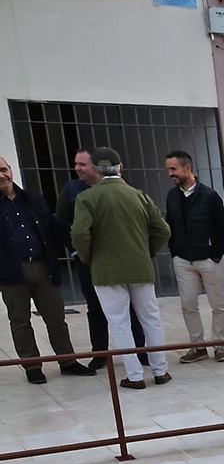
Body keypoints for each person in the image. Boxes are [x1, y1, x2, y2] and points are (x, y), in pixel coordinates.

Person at [70, 147, 173, 389]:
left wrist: (88, 257)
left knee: (119, 322)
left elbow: (79, 233)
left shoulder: (87, 198)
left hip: (106, 271)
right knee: (151, 319)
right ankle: (160, 370)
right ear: (121, 167)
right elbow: (163, 230)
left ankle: (134, 376)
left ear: (95, 169)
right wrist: (146, 252)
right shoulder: (139, 195)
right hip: (140, 267)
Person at [0, 155, 92, 384]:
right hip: (11, 272)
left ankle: (68, 361)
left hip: (42, 266)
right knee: (20, 321)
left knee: (56, 317)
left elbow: (54, 227)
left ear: (10, 169)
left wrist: (79, 243)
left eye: (3, 169)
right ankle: (31, 366)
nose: (1, 175)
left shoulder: (33, 199)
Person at [58, 148, 144, 369]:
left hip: (120, 258)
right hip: (89, 261)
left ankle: (140, 350)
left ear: (95, 167)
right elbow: (62, 223)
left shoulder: (120, 189)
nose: (78, 168)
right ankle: (100, 352)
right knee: (95, 307)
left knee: (131, 306)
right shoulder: (71, 191)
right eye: (76, 164)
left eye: (83, 164)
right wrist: (78, 252)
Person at [164, 149, 224, 364]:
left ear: (187, 168)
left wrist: (215, 254)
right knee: (188, 304)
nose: (170, 174)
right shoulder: (172, 196)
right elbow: (170, 226)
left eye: (173, 169)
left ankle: (220, 346)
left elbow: (223, 228)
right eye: (168, 169)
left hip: (208, 259)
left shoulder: (209, 196)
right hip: (183, 260)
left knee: (217, 304)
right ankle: (198, 346)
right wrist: (175, 252)